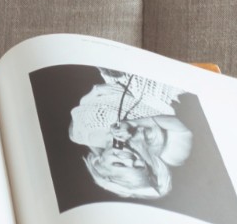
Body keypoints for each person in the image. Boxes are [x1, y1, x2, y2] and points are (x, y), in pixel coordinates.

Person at [68, 71, 194, 203]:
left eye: (118, 164)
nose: (128, 159)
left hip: (114, 71)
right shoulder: (166, 153)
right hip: (159, 78)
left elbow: (80, 109)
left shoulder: (79, 135)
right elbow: (182, 129)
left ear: (98, 162)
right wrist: (134, 123)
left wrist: (94, 92)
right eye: (138, 166)